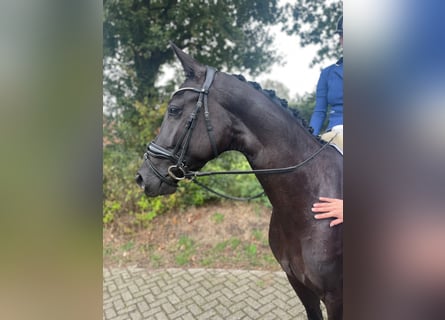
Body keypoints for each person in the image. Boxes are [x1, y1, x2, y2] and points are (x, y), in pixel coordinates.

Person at [310, 15, 344, 227]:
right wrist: (309, 139)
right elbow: (319, 111)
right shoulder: (328, 73)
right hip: (334, 131)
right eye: (343, 36)